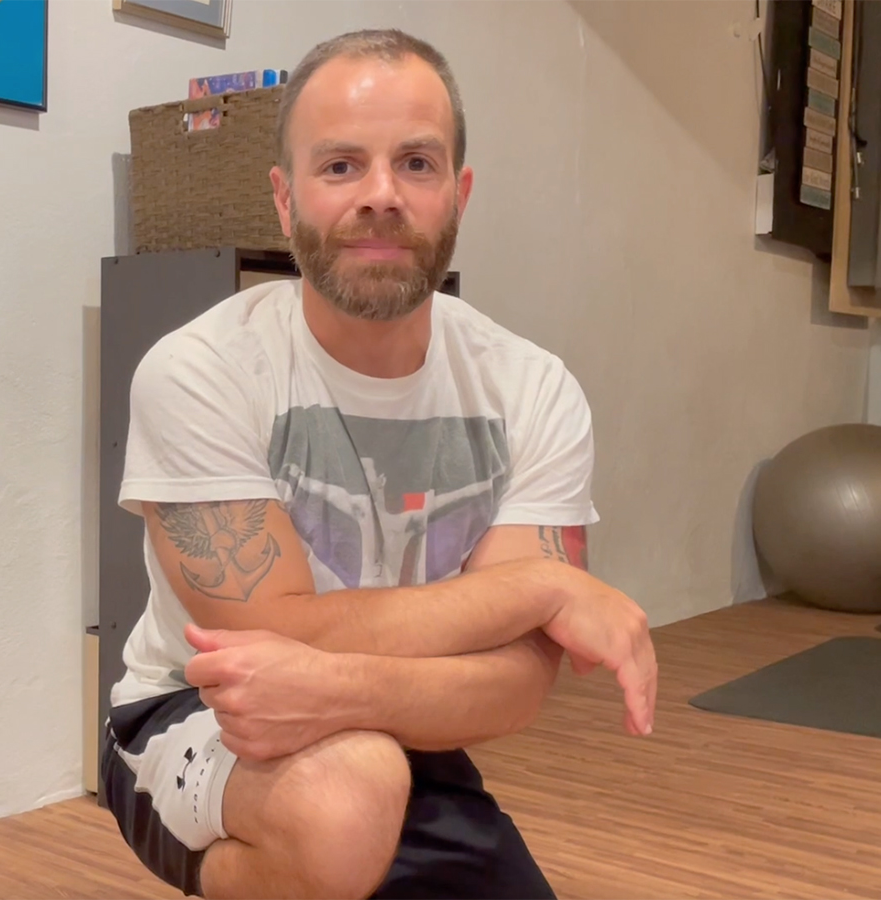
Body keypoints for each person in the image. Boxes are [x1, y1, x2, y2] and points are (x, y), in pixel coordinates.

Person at [100, 27, 657, 900]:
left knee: (369, 778)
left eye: (418, 164)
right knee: (349, 797)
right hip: (194, 712)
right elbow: (257, 640)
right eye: (340, 167)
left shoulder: (532, 389)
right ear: (284, 202)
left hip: (405, 734)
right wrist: (540, 590)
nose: (382, 196)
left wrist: (340, 683)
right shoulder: (200, 370)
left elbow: (514, 687)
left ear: (459, 195)